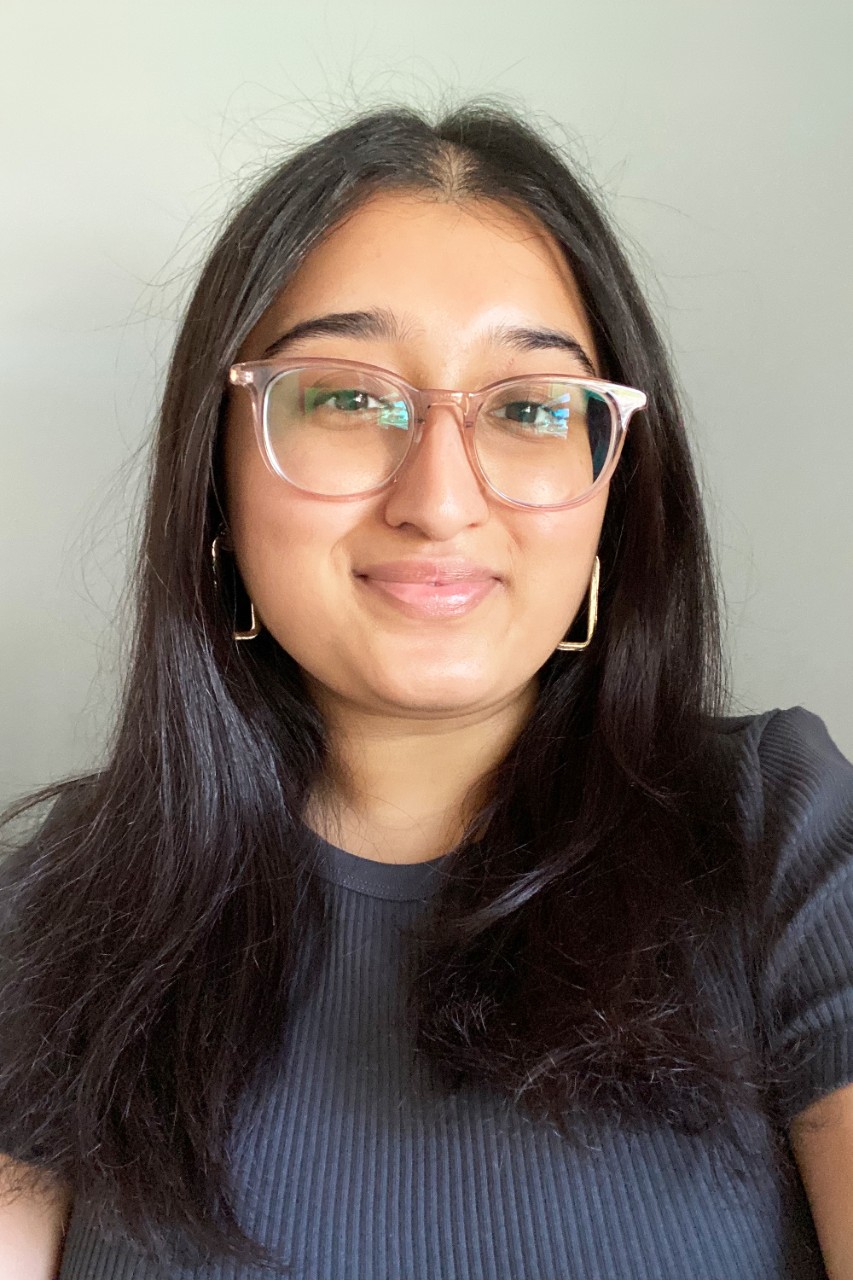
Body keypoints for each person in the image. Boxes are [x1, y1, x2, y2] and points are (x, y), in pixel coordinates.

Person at [1, 104, 851, 1280]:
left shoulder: (781, 831)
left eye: (530, 407)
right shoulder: (55, 907)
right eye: (348, 397)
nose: (439, 499)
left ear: (614, 491)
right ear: (217, 480)